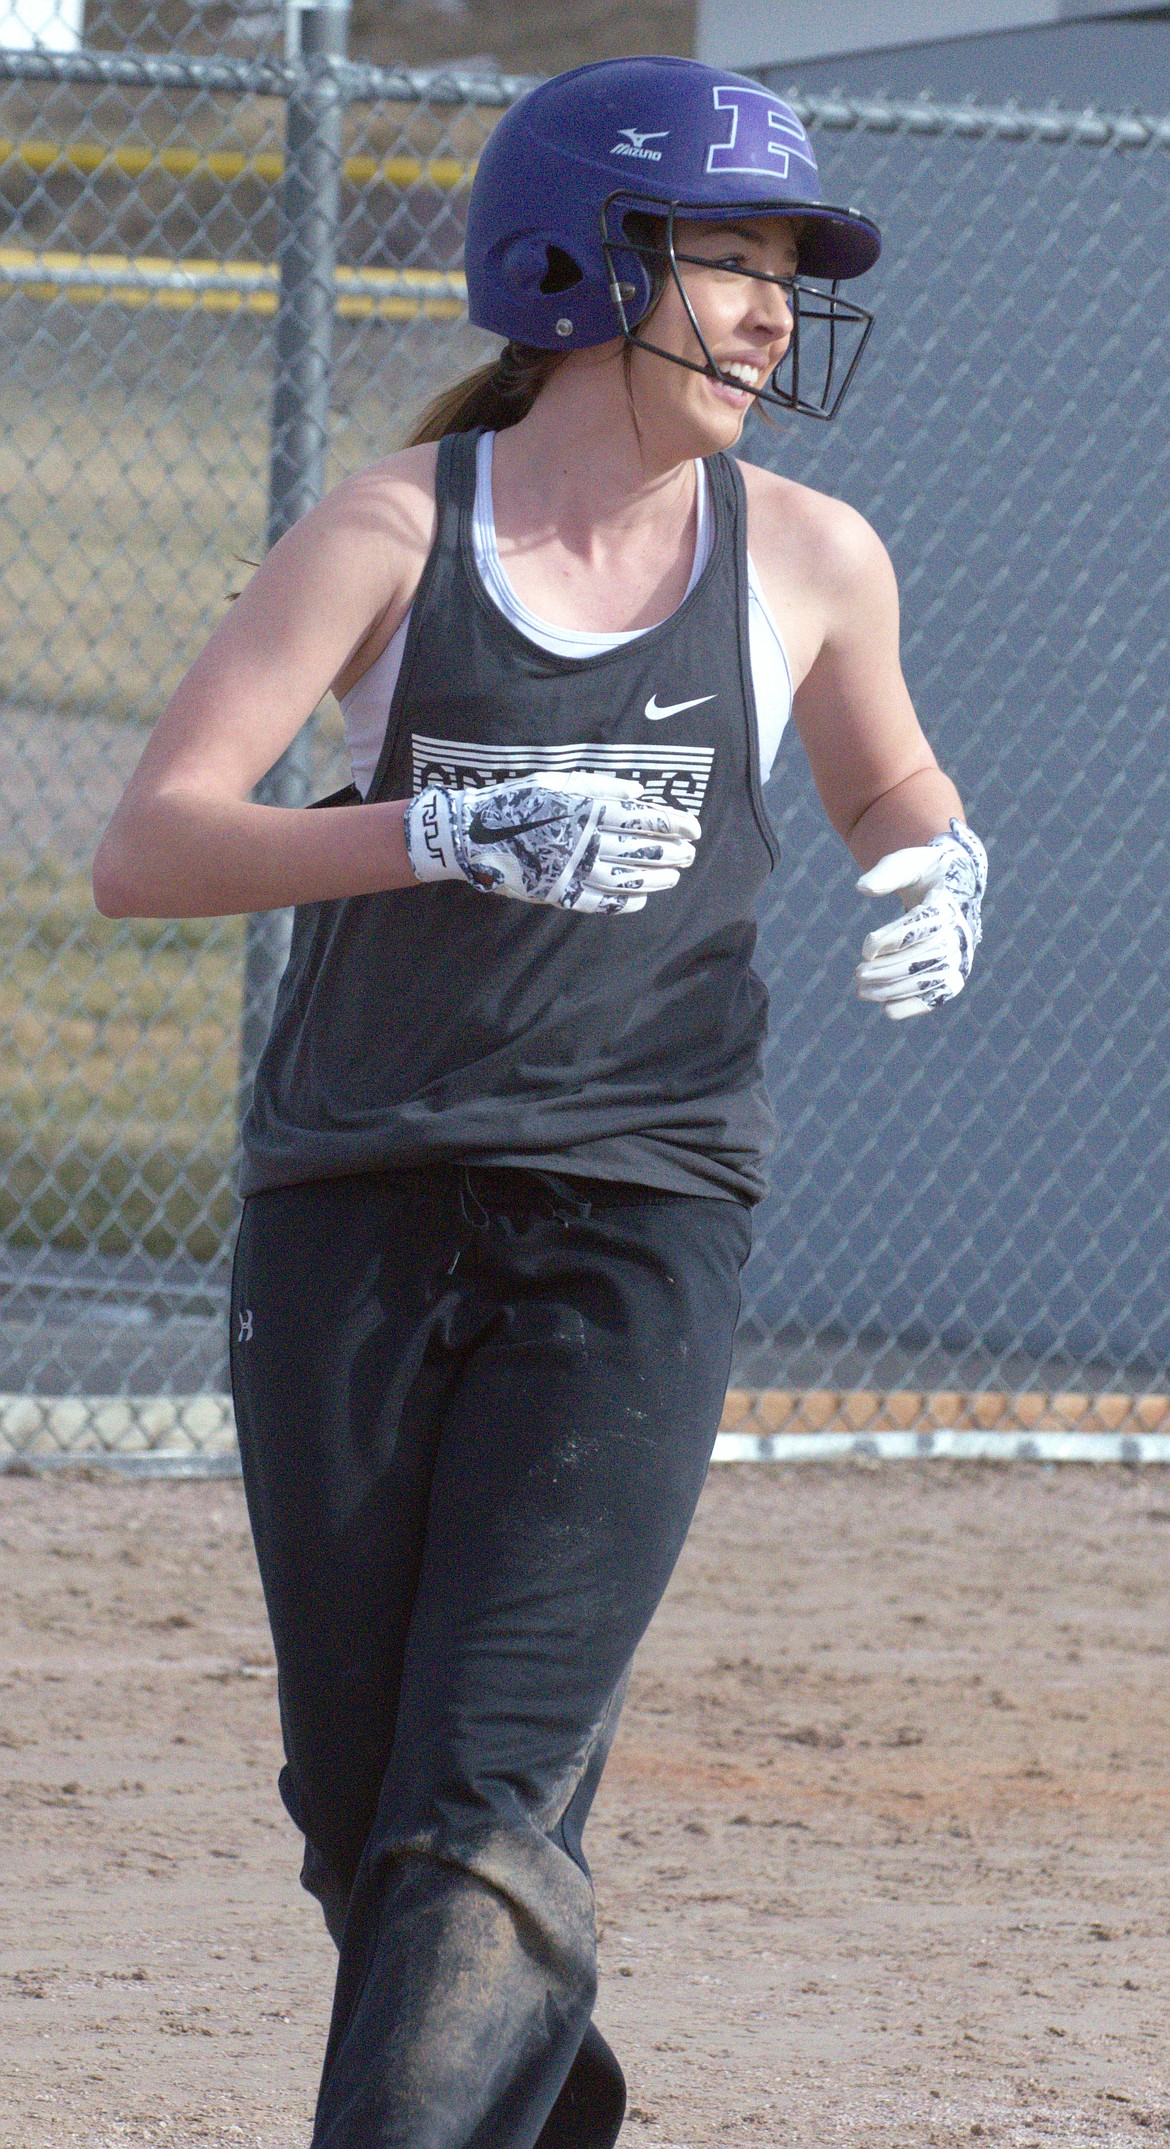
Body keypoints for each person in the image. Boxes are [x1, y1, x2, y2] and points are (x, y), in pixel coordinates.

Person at [93, 53, 986, 2149]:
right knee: (368, 1803)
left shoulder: (819, 554)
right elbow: (154, 846)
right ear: (586, 269)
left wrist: (937, 858)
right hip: (359, 1206)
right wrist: (436, 827)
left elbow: (886, 778)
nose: (775, 309)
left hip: (642, 1213)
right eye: (738, 259)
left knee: (482, 1796)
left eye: (790, 270)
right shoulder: (395, 529)